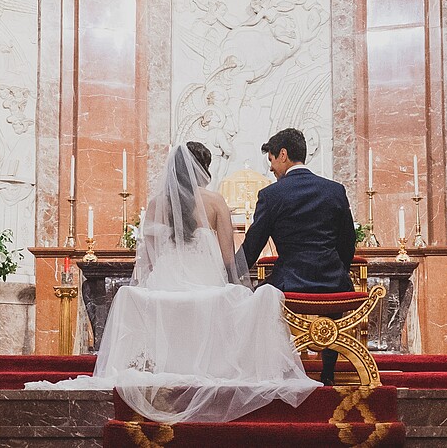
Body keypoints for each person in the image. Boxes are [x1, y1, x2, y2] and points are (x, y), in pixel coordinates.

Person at [25, 143, 318, 423]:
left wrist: (158, 281)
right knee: (253, 299)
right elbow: (230, 261)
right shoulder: (215, 202)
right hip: (207, 288)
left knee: (130, 296)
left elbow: (148, 260)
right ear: (202, 170)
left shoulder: (156, 205)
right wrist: (238, 288)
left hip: (164, 287)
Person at [239, 128, 358, 384]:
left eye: (271, 160)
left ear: (282, 155)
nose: (271, 169)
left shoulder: (271, 195)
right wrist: (338, 271)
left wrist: (227, 271)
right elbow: (348, 243)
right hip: (334, 284)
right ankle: (328, 372)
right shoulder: (335, 190)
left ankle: (275, 371)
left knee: (255, 298)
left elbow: (253, 246)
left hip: (289, 284)